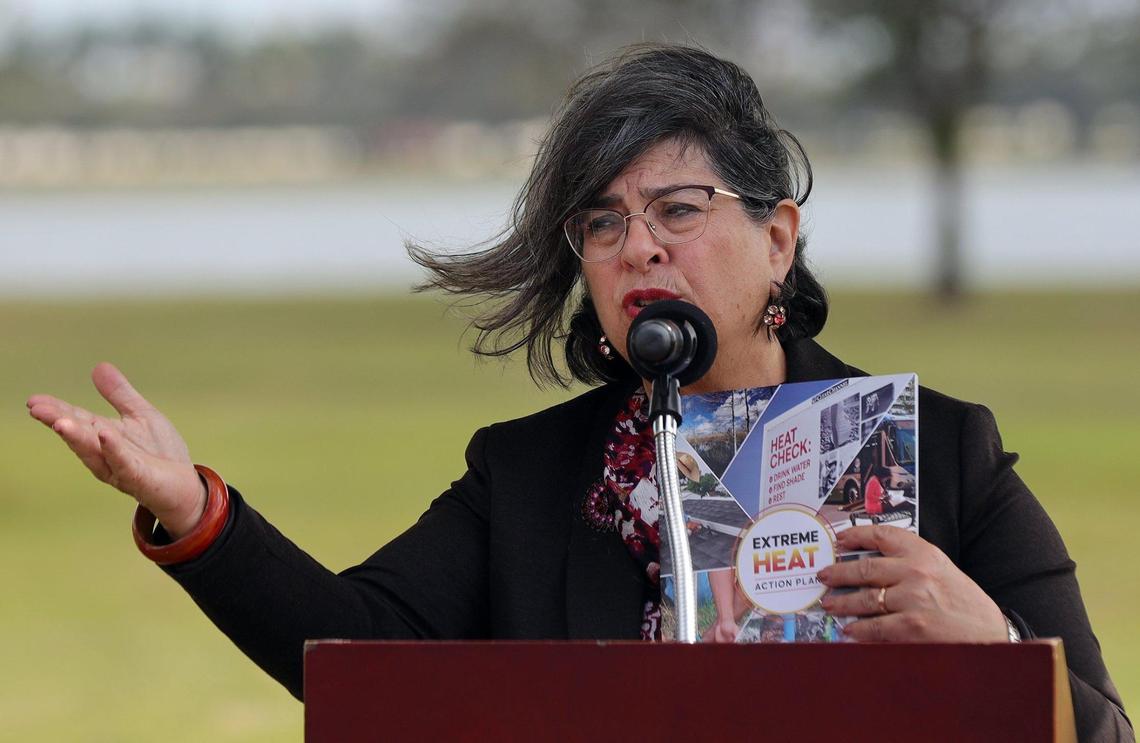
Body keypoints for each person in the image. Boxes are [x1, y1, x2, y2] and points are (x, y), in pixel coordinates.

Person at [26, 44, 1131, 741]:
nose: (637, 245)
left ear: (778, 236)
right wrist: (196, 513)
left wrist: (995, 645)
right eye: (602, 223)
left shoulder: (939, 452)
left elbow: (1102, 727)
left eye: (679, 210)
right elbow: (356, 657)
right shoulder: (529, 473)